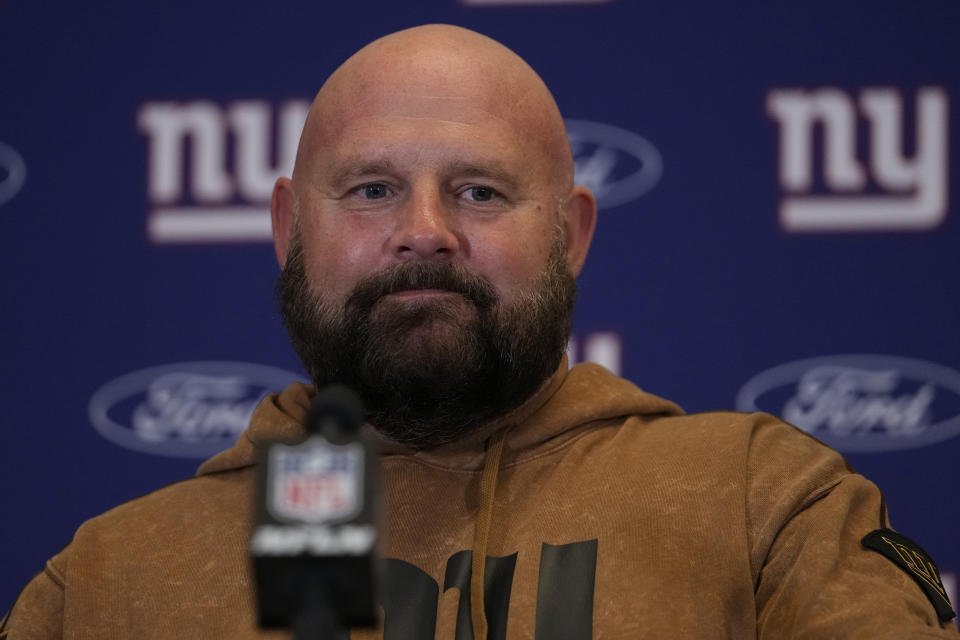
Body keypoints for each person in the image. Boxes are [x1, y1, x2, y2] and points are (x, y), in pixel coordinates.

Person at [2, 24, 956, 639]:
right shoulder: (108, 582)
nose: (425, 228)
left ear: (572, 234)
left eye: (480, 192)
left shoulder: (764, 504)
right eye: (373, 189)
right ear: (291, 228)